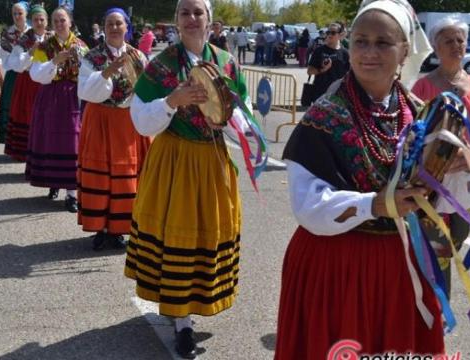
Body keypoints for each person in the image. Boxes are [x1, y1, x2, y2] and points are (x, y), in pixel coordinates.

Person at [275, 0, 444, 358]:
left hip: (400, 263)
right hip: (337, 266)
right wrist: (376, 204)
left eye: (383, 43)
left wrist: (446, 172)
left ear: (404, 51)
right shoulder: (324, 115)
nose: (369, 52)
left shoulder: (417, 113)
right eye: (360, 41)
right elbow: (307, 206)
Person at [124, 0, 252, 358]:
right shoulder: (162, 66)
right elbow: (140, 121)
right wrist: (172, 100)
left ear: (211, 21)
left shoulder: (226, 64)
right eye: (185, 13)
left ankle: (194, 303)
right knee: (177, 232)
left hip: (212, 161)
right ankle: (181, 321)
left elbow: (244, 116)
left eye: (199, 12)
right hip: (175, 160)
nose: (192, 19)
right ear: (177, 22)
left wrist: (224, 121)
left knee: (206, 235)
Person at [411, 16, 470, 299]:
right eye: (448, 40)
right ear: (435, 47)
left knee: (453, 246)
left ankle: (431, 304)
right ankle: (435, 310)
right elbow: (412, 138)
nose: (456, 45)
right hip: (435, 187)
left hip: (469, 183)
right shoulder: (423, 87)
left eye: (460, 40)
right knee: (437, 249)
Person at [77, 7, 151, 251]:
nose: (114, 27)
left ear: (127, 27)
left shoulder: (139, 57)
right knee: (101, 175)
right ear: (104, 27)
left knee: (126, 177)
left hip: (128, 122)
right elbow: (85, 92)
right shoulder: (92, 57)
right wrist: (107, 72)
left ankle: (120, 229)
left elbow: (148, 91)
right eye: (110, 23)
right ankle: (100, 227)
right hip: (100, 120)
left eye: (119, 23)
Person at [28, 7, 88, 211]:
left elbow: (89, 74)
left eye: (63, 20)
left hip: (73, 96)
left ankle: (72, 194)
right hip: (50, 96)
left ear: (70, 22)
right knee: (50, 138)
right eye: (55, 20)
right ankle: (52, 182)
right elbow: (36, 75)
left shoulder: (81, 46)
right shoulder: (43, 46)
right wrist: (55, 60)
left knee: (72, 141)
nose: (59, 23)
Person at [4, 5, 51, 162]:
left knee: (46, 117)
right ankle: (23, 151)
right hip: (27, 82)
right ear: (31, 21)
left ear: (47, 21)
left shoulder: (52, 38)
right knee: (27, 115)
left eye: (41, 19)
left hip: (47, 83)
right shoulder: (25, 39)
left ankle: (44, 150)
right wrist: (30, 52)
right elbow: (16, 65)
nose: (39, 22)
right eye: (36, 19)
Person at [0, 1, 30, 144]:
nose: (17, 16)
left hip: (32, 76)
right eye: (14, 13)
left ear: (26, 14)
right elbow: (5, 59)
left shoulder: (33, 32)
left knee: (30, 110)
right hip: (14, 75)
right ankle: (13, 142)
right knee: (13, 108)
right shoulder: (7, 34)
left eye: (20, 13)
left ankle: (32, 143)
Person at [306, 22, 350, 103]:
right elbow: (309, 71)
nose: (329, 35)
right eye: (328, 32)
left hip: (339, 95)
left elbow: (349, 74)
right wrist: (323, 69)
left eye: (333, 33)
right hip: (320, 94)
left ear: (339, 35)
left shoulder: (345, 53)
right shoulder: (319, 50)